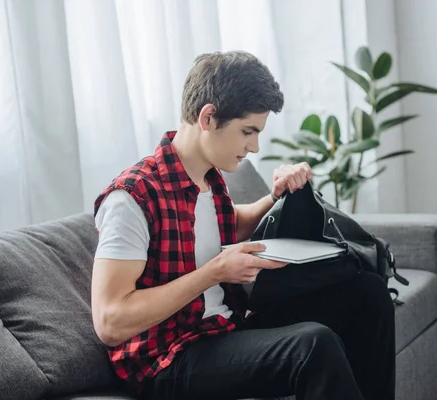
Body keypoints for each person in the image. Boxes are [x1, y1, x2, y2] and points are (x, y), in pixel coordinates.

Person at [91, 50, 395, 400]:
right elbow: (110, 322)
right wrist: (214, 272)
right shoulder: (132, 197)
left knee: (368, 295)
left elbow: (229, 227)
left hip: (223, 328)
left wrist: (277, 195)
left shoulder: (208, 178)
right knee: (312, 346)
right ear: (208, 118)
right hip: (166, 359)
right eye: (247, 132)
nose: (254, 146)